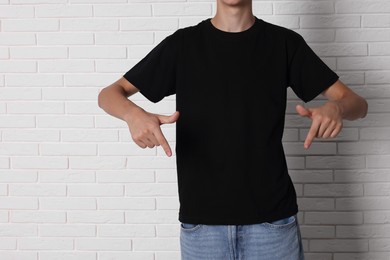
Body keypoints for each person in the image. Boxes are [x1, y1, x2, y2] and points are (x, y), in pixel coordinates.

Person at [98, 0, 368, 258]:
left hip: (273, 225)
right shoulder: (183, 44)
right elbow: (110, 94)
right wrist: (133, 114)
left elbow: (357, 103)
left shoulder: (283, 43)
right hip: (202, 228)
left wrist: (337, 108)